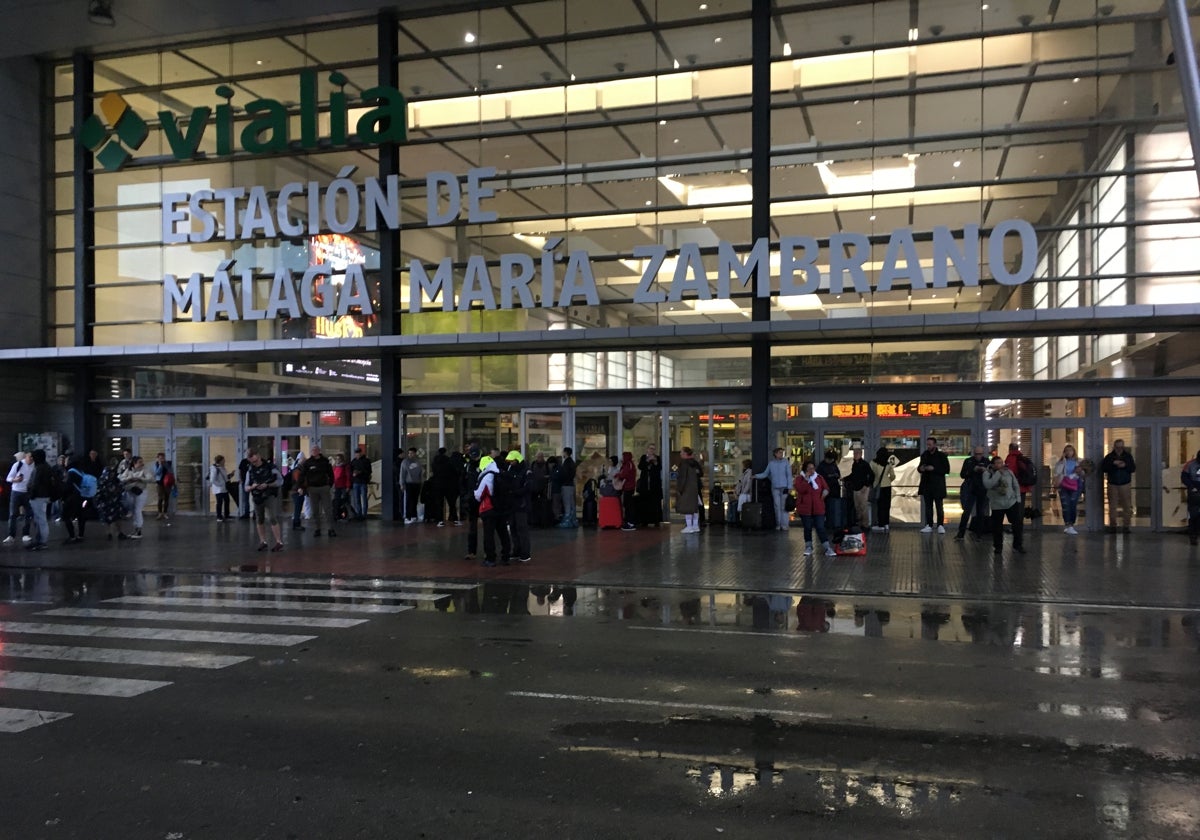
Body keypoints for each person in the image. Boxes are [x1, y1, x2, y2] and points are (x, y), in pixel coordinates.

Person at [474, 455, 512, 566]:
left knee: (489, 535)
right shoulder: (500, 473)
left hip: (489, 508)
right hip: (501, 508)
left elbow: (479, 494)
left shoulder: (487, 476)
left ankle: (490, 558)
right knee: (503, 533)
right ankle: (506, 556)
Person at [982, 455, 1025, 554]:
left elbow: (1015, 484)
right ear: (992, 465)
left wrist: (1018, 498)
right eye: (997, 463)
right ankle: (998, 547)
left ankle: (1017, 545)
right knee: (997, 527)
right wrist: (997, 474)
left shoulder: (1009, 472)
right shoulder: (987, 473)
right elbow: (988, 484)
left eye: (1001, 462)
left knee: (1017, 524)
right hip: (997, 504)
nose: (1000, 465)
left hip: (1011, 502)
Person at [245, 449, 284, 552]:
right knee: (259, 519)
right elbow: (246, 486)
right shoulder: (250, 470)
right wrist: (252, 487)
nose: (254, 463)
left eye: (255, 461)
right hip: (257, 497)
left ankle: (278, 542)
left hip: (269, 495)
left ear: (258, 456)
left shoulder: (270, 467)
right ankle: (263, 541)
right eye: (252, 462)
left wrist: (268, 485)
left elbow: (280, 481)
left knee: (272, 517)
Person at [794, 460, 836, 556]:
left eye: (813, 468)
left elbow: (826, 488)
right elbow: (801, 489)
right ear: (805, 469)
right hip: (805, 507)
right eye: (809, 468)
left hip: (818, 507)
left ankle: (827, 548)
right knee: (807, 527)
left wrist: (823, 495)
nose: (811, 470)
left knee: (820, 527)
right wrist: (806, 480)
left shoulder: (819, 478)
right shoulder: (800, 479)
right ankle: (808, 546)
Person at [1101, 439, 1136, 533]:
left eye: (1121, 447)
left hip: (1125, 483)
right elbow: (1103, 468)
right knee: (1112, 506)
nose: (1119, 449)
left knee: (1127, 506)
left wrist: (1125, 465)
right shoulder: (1109, 457)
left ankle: (1126, 526)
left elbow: (1133, 468)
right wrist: (1113, 464)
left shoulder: (1128, 456)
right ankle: (1113, 526)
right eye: (1117, 447)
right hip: (1113, 483)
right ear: (1114, 447)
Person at [956, 445, 990, 541]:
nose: (978, 456)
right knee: (966, 512)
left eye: (979, 454)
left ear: (982, 453)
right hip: (970, 489)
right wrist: (972, 470)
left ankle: (979, 534)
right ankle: (961, 533)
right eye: (976, 454)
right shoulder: (968, 461)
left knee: (980, 513)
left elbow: (992, 473)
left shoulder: (987, 461)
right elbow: (962, 474)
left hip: (982, 490)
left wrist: (985, 471)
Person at [917, 437, 951, 534]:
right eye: (927, 444)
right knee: (928, 506)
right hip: (927, 485)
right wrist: (921, 468)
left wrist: (934, 469)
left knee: (939, 506)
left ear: (935, 445)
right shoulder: (925, 455)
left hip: (938, 485)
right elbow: (919, 468)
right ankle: (929, 525)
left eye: (930, 444)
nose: (928, 446)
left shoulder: (941, 456)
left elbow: (946, 470)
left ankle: (940, 525)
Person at [300, 445, 335, 536]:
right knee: (315, 510)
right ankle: (317, 528)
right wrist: (300, 487)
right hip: (312, 488)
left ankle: (330, 529)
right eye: (312, 450)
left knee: (328, 509)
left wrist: (329, 485)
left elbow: (331, 474)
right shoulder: (308, 463)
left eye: (316, 450)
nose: (314, 451)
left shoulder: (325, 461)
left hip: (324, 488)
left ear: (319, 451)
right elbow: (302, 475)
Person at [754, 447, 792, 531]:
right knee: (777, 506)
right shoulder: (772, 464)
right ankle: (779, 524)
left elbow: (789, 475)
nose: (781, 454)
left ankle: (784, 524)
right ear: (775, 454)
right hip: (776, 487)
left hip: (783, 487)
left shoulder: (785, 462)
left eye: (782, 453)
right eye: (779, 453)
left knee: (783, 506)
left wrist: (790, 486)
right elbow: (765, 473)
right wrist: (756, 476)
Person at [24, 449, 53, 551]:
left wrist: (30, 494)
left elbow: (35, 483)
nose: (32, 458)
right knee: (40, 519)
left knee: (40, 520)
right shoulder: (47, 467)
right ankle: (40, 541)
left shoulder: (39, 468)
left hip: (38, 497)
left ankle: (42, 542)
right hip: (44, 496)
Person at [506, 450, 533, 562]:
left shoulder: (526, 472)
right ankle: (516, 550)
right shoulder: (511, 470)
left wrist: (514, 492)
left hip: (521, 503)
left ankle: (525, 552)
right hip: (512, 503)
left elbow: (527, 487)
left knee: (522, 528)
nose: (511, 463)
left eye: (512, 461)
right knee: (513, 528)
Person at [1052, 444, 1084, 536]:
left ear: (1074, 451)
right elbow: (1056, 474)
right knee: (1065, 505)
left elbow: (1085, 473)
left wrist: (1080, 471)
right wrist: (1056, 483)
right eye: (1067, 450)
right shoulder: (1061, 462)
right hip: (1064, 485)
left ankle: (1071, 524)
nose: (1069, 452)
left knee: (1073, 504)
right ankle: (1067, 524)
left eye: (1070, 450)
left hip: (1076, 485)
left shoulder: (1079, 461)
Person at [95, 456, 129, 541]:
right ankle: (118, 533)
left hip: (108, 501)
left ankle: (110, 533)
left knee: (108, 518)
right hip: (113, 501)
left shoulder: (102, 480)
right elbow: (121, 487)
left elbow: (98, 491)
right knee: (117, 517)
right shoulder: (114, 478)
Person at [119, 455, 153, 539]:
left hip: (140, 492)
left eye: (142, 462)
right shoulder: (128, 470)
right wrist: (129, 479)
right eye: (139, 462)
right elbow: (121, 478)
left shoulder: (144, 470)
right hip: (131, 492)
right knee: (133, 510)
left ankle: (139, 529)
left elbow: (150, 478)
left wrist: (140, 479)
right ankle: (136, 528)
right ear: (134, 463)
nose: (142, 463)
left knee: (138, 510)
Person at [4, 451, 32, 544]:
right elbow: (8, 478)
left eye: (32, 458)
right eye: (29, 457)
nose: (31, 460)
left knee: (28, 514)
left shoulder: (34, 466)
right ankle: (11, 535)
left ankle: (26, 534)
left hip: (27, 492)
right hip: (16, 491)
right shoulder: (18, 464)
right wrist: (15, 480)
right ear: (26, 457)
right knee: (13, 514)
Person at [844, 447, 873, 530]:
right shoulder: (855, 464)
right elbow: (853, 475)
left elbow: (871, 475)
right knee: (857, 507)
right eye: (854, 453)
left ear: (861, 454)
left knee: (863, 506)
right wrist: (846, 478)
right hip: (856, 487)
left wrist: (866, 485)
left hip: (863, 488)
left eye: (857, 453)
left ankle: (865, 524)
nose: (855, 455)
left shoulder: (864, 464)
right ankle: (860, 523)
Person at [869, 447, 897, 532]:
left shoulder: (873, 463)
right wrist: (888, 481)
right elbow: (893, 475)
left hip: (878, 486)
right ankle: (886, 524)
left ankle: (880, 524)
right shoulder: (889, 463)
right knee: (887, 505)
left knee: (879, 506)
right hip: (887, 486)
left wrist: (873, 483)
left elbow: (870, 474)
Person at [676, 446, 702, 533]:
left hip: (687, 488)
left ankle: (689, 526)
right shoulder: (695, 463)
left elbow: (682, 477)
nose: (680, 454)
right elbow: (700, 473)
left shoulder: (684, 463)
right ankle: (695, 526)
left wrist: (680, 488)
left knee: (687, 507)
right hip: (695, 487)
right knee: (694, 507)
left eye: (681, 452)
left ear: (685, 454)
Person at [636, 444, 664, 526]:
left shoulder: (657, 458)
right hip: (645, 484)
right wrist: (648, 460)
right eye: (651, 448)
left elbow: (659, 468)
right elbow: (640, 466)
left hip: (654, 485)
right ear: (647, 449)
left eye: (654, 449)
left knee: (655, 503)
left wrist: (655, 462)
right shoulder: (643, 457)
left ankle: (656, 520)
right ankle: (644, 521)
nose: (652, 450)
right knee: (645, 503)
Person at [815, 450, 843, 531]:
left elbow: (838, 474)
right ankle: (827, 523)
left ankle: (832, 522)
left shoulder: (833, 465)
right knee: (826, 507)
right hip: (826, 489)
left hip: (834, 489)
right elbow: (820, 477)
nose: (831, 461)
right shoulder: (822, 466)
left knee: (832, 507)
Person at [1005, 443, 1036, 509]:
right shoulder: (1022, 458)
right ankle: (1020, 519)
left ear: (1010, 449)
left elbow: (1009, 473)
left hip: (1015, 487)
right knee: (1021, 506)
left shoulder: (1010, 458)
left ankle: (1016, 519)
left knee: (1014, 508)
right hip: (1023, 486)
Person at [399, 446, 424, 525]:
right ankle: (407, 517)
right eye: (409, 453)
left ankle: (413, 516)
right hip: (409, 483)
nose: (410, 455)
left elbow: (421, 473)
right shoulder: (405, 462)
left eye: (412, 453)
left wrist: (421, 482)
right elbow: (402, 474)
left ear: (415, 453)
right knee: (408, 500)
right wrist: (402, 484)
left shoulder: (418, 462)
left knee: (415, 500)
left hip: (417, 483)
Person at [1181, 449, 1200, 546]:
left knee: (1193, 515)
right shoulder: (1190, 464)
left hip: (1194, 491)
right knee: (1194, 515)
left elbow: (1184, 477)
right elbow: (1184, 477)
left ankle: (1193, 536)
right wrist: (1192, 487)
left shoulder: (1190, 464)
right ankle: (1193, 536)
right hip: (1194, 492)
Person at [616, 451, 637, 530]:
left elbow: (625, 474)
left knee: (628, 505)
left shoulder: (629, 464)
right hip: (627, 487)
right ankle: (629, 522)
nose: (622, 458)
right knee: (627, 505)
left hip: (629, 487)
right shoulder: (627, 464)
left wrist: (617, 475)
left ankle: (630, 523)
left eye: (623, 456)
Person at [349, 446, 372, 521]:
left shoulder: (366, 461)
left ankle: (364, 514)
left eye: (358, 453)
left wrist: (360, 472)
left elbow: (369, 471)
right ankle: (358, 514)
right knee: (357, 499)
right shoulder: (353, 461)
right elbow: (350, 471)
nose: (357, 455)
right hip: (356, 482)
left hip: (363, 482)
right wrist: (353, 476)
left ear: (361, 453)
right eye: (356, 453)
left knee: (364, 498)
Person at [558, 446, 578, 528]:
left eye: (563, 452)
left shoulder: (566, 463)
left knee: (567, 503)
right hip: (571, 485)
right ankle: (573, 520)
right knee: (571, 503)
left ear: (566, 453)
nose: (562, 453)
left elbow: (564, 474)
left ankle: (567, 521)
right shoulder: (572, 462)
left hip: (566, 485)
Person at [209, 454, 230, 521]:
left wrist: (230, 476)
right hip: (218, 489)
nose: (224, 461)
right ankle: (219, 516)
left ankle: (226, 515)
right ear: (220, 461)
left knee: (227, 501)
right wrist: (220, 484)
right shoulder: (215, 469)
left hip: (224, 488)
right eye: (223, 460)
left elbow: (224, 478)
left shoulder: (223, 468)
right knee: (219, 502)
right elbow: (212, 480)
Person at [332, 453, 352, 522]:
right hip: (337, 486)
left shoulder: (345, 467)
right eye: (336, 459)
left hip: (343, 486)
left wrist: (348, 486)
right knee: (337, 501)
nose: (337, 460)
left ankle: (347, 515)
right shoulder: (335, 467)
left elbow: (348, 477)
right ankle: (337, 515)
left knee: (345, 502)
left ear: (341, 459)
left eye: (339, 459)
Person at [289, 454, 306, 531]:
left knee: (298, 508)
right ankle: (296, 524)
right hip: (297, 491)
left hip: (297, 490)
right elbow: (297, 480)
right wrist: (299, 488)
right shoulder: (298, 470)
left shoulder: (298, 469)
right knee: (297, 508)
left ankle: (297, 523)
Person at [236, 448, 253, 518]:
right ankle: (246, 513)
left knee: (255, 498)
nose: (248, 454)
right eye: (248, 452)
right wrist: (240, 479)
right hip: (245, 482)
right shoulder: (243, 461)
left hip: (254, 482)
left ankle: (255, 513)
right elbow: (240, 470)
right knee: (245, 498)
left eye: (250, 452)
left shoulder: (254, 461)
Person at [153, 452, 170, 520]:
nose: (161, 459)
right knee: (160, 498)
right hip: (159, 483)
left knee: (166, 498)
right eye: (160, 458)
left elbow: (170, 472)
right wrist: (160, 465)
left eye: (162, 458)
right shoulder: (156, 464)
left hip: (167, 483)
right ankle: (160, 513)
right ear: (157, 458)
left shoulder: (167, 463)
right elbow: (156, 473)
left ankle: (165, 513)